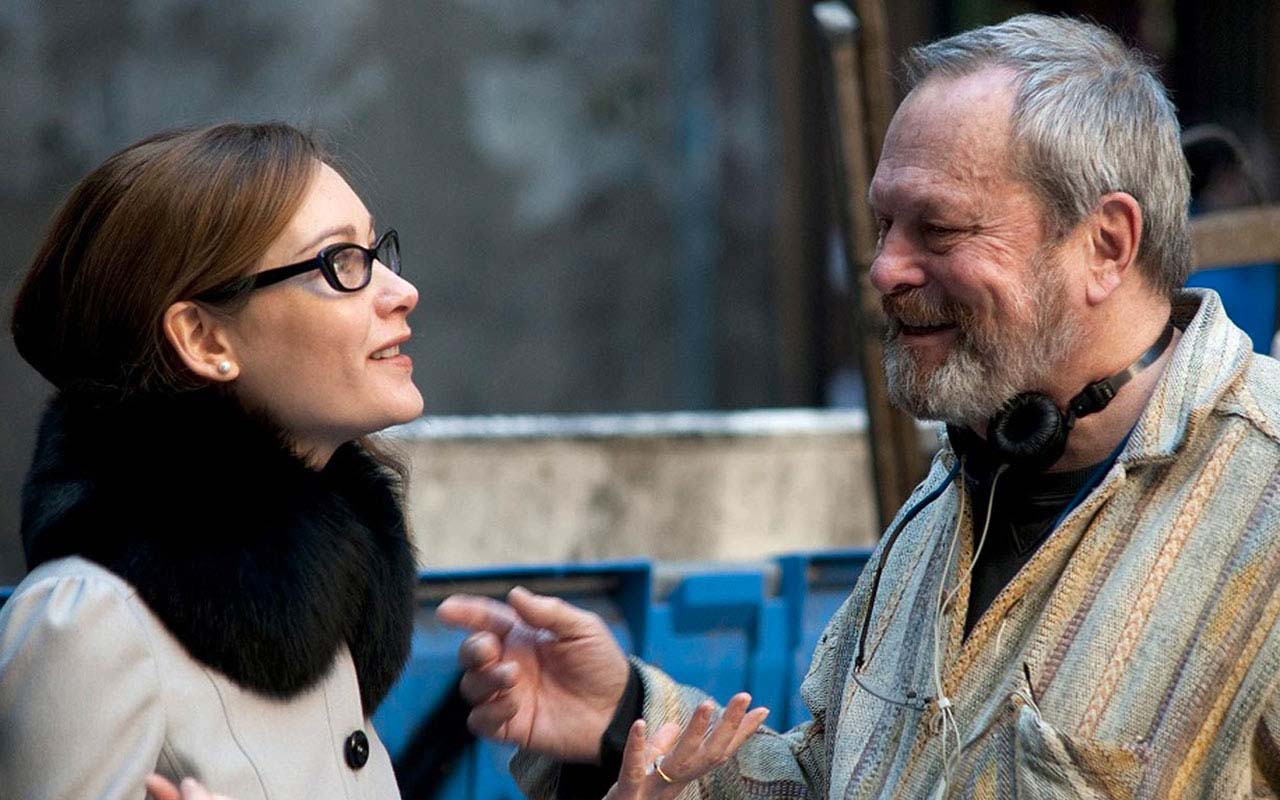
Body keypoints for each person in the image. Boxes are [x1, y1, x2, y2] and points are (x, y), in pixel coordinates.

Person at [439, 15, 1280, 799]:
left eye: (938, 230)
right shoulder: (960, 483)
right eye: (884, 226)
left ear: (1106, 245)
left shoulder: (1264, 500)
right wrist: (622, 717)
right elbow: (830, 778)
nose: (884, 270)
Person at [0, 123, 422, 799]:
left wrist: (599, 763)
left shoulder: (320, 580)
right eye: (341, 262)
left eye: (375, 250)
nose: (401, 291)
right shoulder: (91, 624)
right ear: (203, 339)